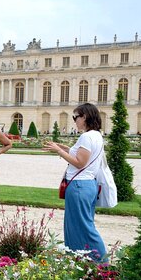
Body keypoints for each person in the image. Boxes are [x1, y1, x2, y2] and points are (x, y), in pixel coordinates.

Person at [43, 103, 107, 261]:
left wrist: (58, 151)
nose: (74, 121)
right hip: (88, 185)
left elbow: (80, 162)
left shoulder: (86, 136)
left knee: (81, 227)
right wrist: (63, 148)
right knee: (84, 225)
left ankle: (102, 261)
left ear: (84, 117)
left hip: (79, 185)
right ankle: (84, 260)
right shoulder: (96, 135)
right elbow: (81, 155)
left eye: (75, 117)